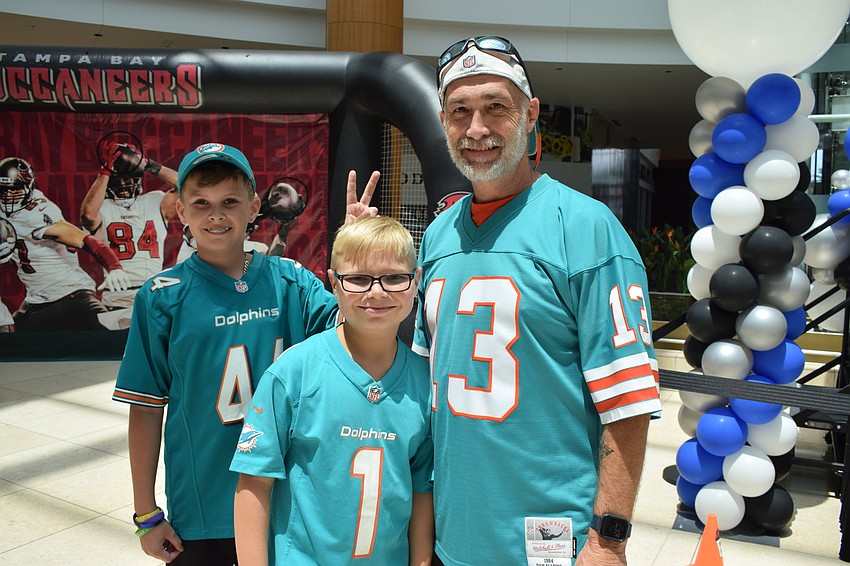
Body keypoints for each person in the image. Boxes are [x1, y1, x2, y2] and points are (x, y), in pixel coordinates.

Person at [412, 36, 662, 565]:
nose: (476, 128)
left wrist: (608, 537)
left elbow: (628, 402)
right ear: (443, 121)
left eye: (495, 108)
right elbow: (422, 385)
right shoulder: (437, 237)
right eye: (460, 112)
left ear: (530, 114)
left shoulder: (588, 228)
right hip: (452, 537)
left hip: (554, 540)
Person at [112, 142, 379, 565]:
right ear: (181, 211)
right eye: (201, 203)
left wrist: (355, 250)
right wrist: (146, 514)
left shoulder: (291, 280)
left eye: (230, 202)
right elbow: (146, 408)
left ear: (255, 206)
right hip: (202, 507)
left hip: (288, 501)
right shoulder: (161, 297)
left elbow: (359, 335)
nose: (216, 215)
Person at [231, 215, 433, 565]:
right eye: (357, 279)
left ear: (416, 282)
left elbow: (421, 491)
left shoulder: (423, 383)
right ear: (333, 284)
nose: (376, 292)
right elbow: (254, 482)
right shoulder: (293, 373)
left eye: (395, 278)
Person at [0, 156, 131, 331]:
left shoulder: (37, 214)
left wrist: (114, 267)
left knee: (109, 333)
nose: (8, 196)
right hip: (37, 300)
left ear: (28, 188)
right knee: (10, 346)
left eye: (15, 190)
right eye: (3, 190)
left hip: (71, 293)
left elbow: (86, 240)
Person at [80, 140, 179, 311]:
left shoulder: (155, 200)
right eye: (119, 180)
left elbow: (188, 187)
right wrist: (104, 172)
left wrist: (148, 164)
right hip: (117, 293)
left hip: (152, 292)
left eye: (129, 179)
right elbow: (88, 215)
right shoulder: (102, 206)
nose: (125, 185)